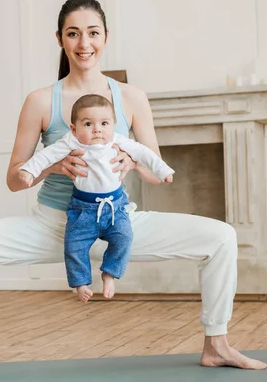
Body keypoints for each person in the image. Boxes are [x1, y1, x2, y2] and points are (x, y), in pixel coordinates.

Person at [0, 0, 267, 382]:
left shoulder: (131, 98)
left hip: (119, 224)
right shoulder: (41, 101)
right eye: (73, 34)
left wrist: (133, 164)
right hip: (55, 226)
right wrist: (52, 165)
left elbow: (155, 170)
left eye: (92, 33)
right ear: (60, 39)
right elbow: (14, 179)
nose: (84, 44)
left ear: (106, 36)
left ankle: (217, 344)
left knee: (221, 237)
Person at [19, 93, 175, 302]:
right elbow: (47, 155)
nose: (97, 129)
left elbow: (144, 153)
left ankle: (110, 273)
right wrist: (29, 170)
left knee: (124, 237)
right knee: (74, 245)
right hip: (82, 208)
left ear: (113, 125)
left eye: (104, 123)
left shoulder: (117, 141)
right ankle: (81, 283)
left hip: (115, 207)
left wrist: (164, 171)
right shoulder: (71, 142)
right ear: (74, 129)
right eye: (88, 124)